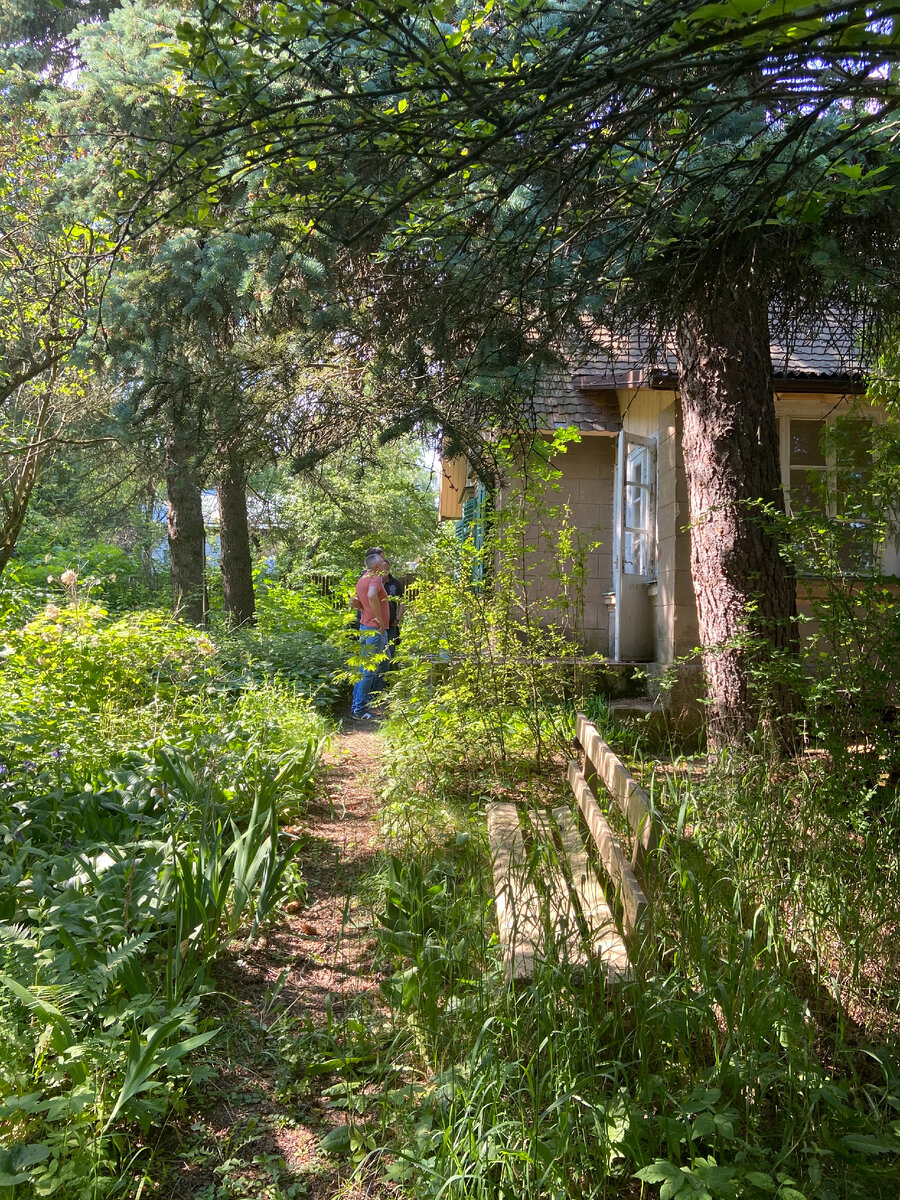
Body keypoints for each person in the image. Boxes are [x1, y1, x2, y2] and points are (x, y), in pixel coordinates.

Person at [350, 549, 390, 720]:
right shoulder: (375, 577)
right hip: (373, 629)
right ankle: (359, 709)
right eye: (382, 561)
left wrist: (363, 609)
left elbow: (357, 603)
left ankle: (359, 705)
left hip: (365, 627)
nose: (384, 563)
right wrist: (380, 621)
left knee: (363, 669)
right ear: (375, 566)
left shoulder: (362, 579)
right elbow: (372, 596)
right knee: (368, 671)